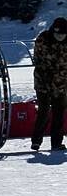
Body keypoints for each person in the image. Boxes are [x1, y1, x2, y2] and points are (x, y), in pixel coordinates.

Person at [31, 17, 67, 151]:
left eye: (63, 35)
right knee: (44, 111)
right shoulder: (43, 39)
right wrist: (48, 78)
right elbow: (40, 62)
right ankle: (36, 141)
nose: (60, 37)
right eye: (58, 34)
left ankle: (57, 143)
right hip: (43, 82)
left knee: (59, 112)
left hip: (61, 83)